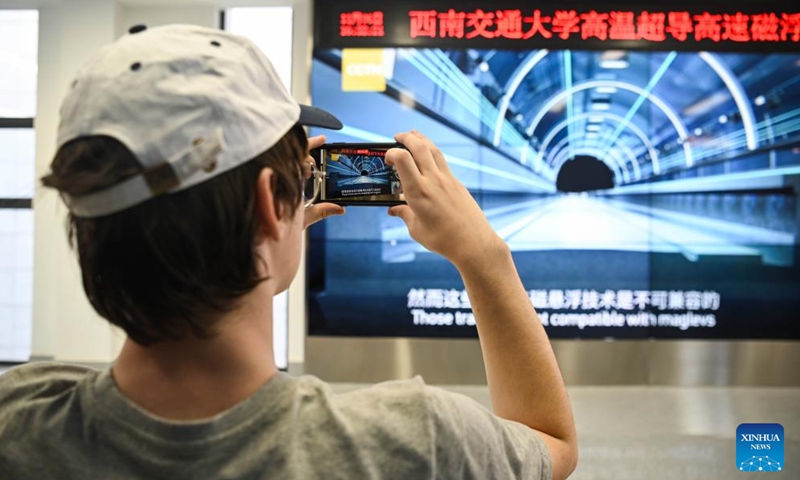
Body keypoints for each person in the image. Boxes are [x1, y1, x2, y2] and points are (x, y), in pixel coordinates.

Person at [0, 24, 577, 480]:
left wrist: (255, 247)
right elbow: (552, 441)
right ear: (270, 204)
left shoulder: (19, 419)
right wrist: (485, 257)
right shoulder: (415, 440)